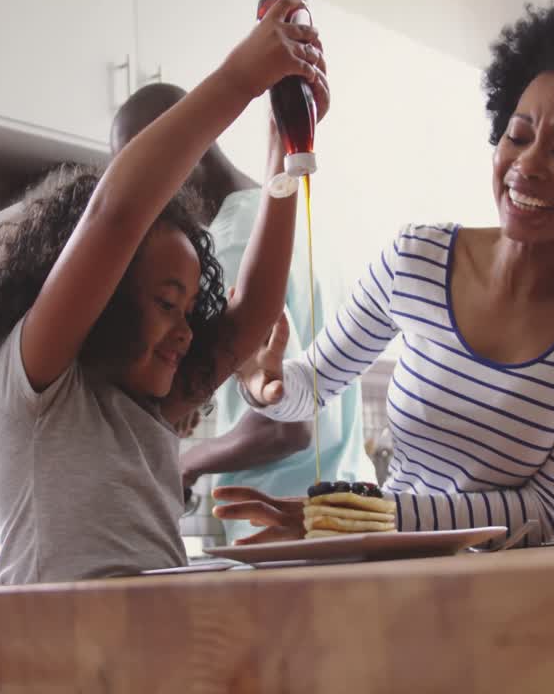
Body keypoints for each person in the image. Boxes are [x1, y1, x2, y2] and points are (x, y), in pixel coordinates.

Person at [214, 0, 554, 546]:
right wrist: (265, 385)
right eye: (518, 136)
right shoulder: (417, 257)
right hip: (399, 572)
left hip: (511, 582)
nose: (527, 165)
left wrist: (363, 517)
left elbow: (545, 509)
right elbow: (311, 385)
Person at [0, 0, 331, 583]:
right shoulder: (35, 385)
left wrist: (283, 150)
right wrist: (239, 79)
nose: (186, 332)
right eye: (166, 303)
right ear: (104, 298)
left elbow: (251, 317)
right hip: (59, 643)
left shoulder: (151, 408)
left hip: (149, 636)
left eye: (187, 308)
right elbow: (115, 215)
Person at [109, 84, 373, 543]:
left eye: (143, 173)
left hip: (285, 529)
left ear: (184, 154)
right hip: (349, 511)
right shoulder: (298, 219)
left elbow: (285, 429)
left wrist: (184, 463)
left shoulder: (231, 245)